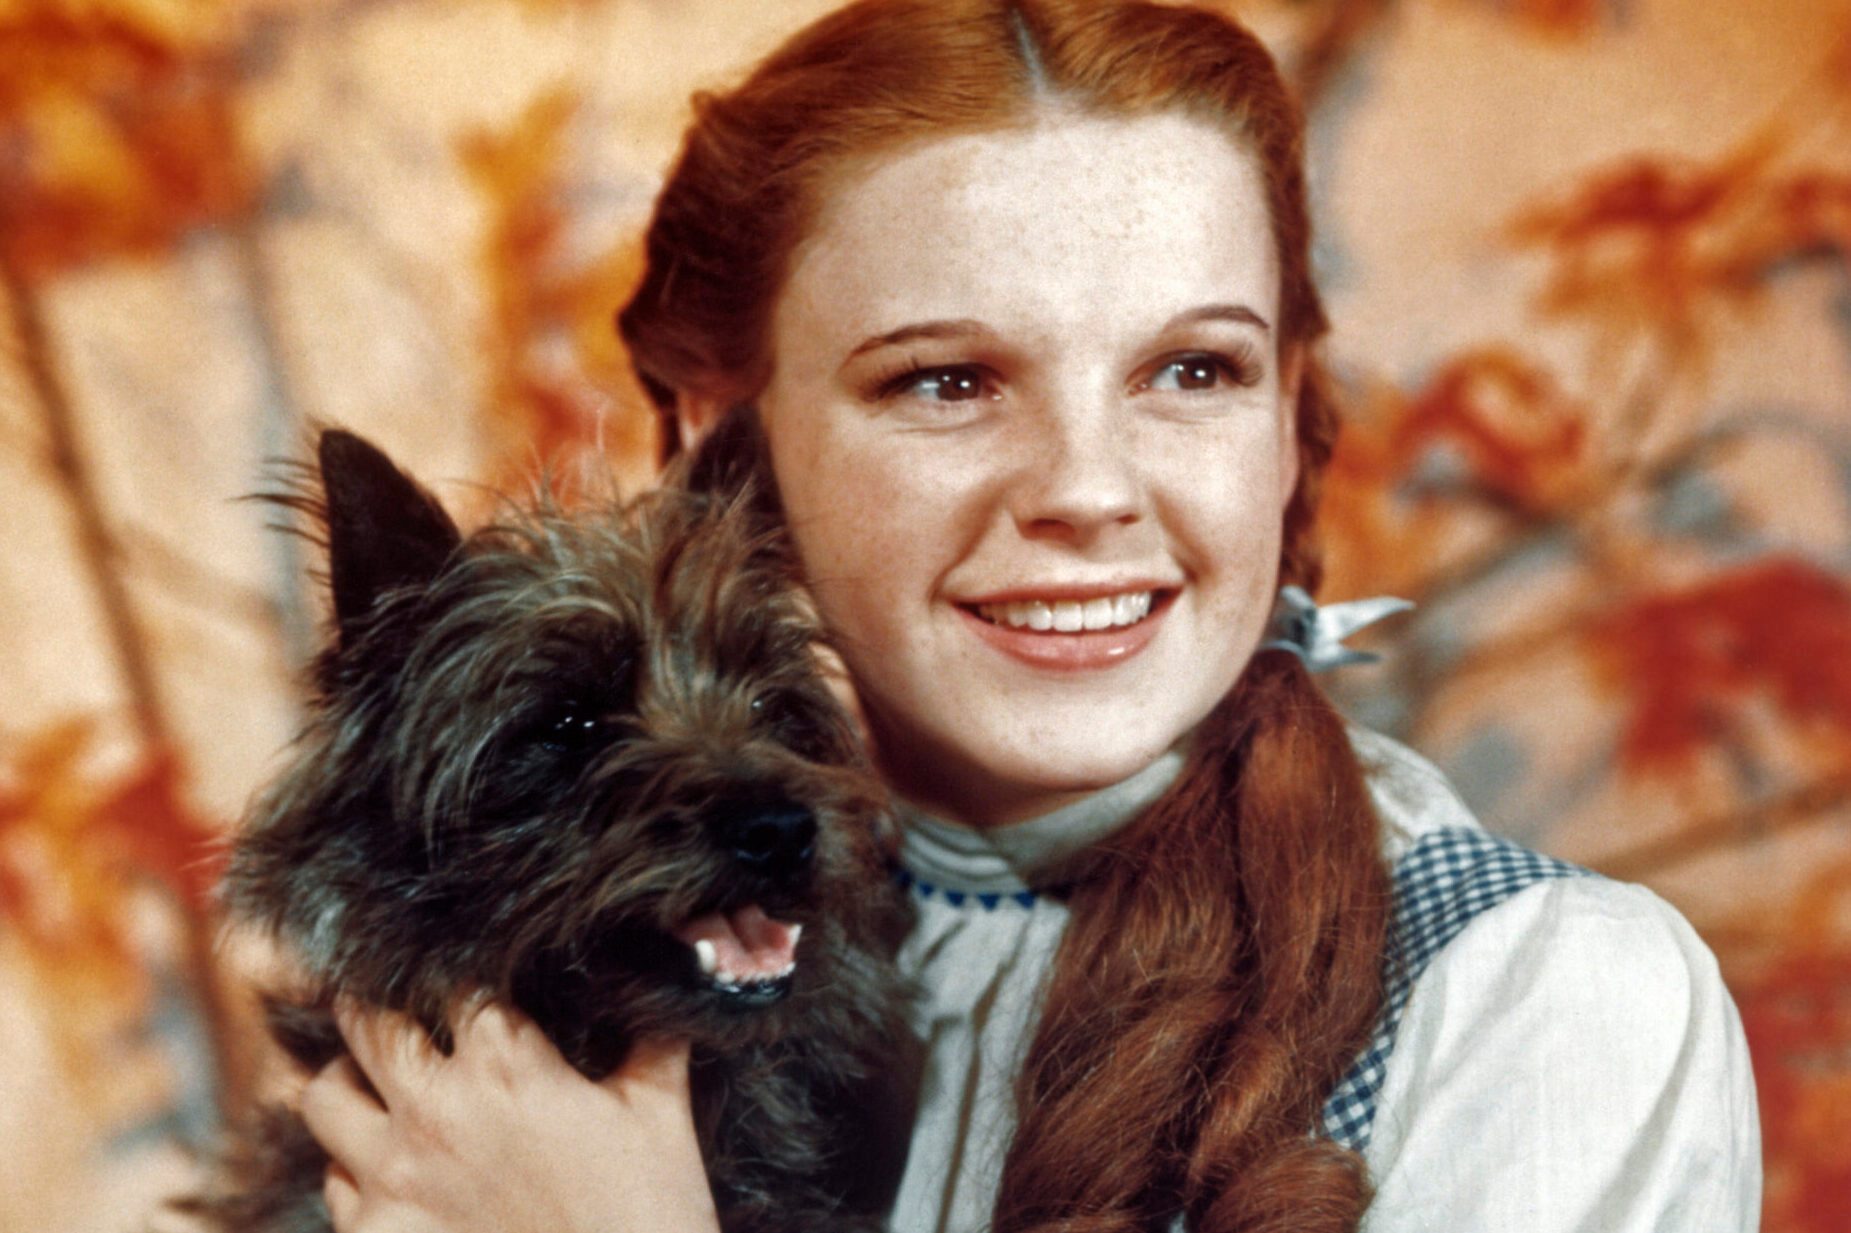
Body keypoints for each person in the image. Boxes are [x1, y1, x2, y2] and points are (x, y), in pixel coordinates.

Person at [295, 2, 1761, 1231]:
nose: (1086, 490)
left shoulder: (1546, 1005)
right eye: (947, 380)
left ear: (1290, 401)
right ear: (716, 435)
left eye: (1193, 369)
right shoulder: (611, 951)